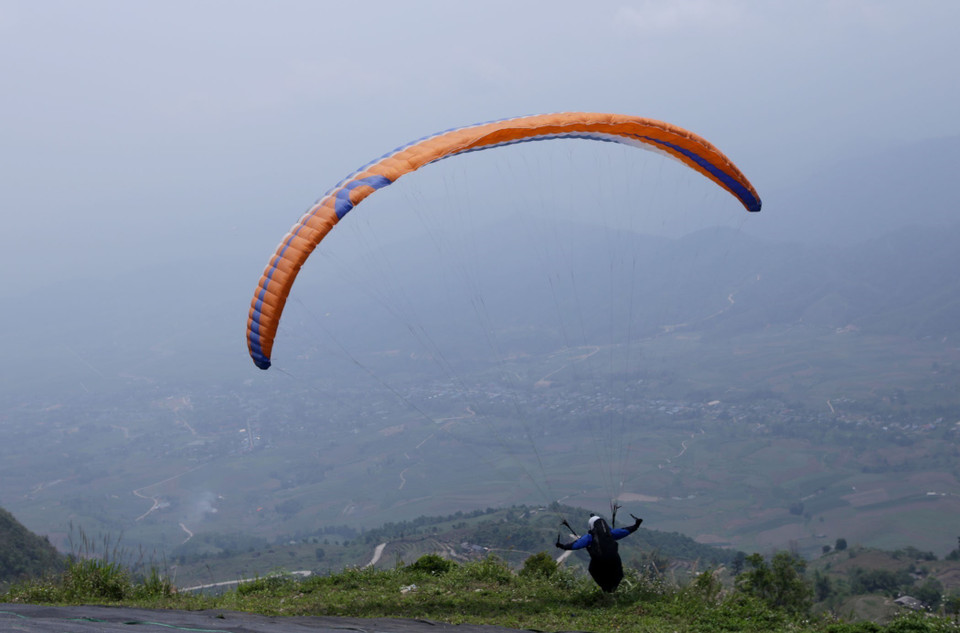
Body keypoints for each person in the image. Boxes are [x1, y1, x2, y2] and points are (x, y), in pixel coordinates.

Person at [555, 506, 643, 592]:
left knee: (593, 570)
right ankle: (612, 590)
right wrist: (636, 525)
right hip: (614, 559)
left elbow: (577, 545)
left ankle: (606, 589)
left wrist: (563, 546)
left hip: (599, 561)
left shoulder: (590, 536)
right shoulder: (611, 533)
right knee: (617, 573)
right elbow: (625, 531)